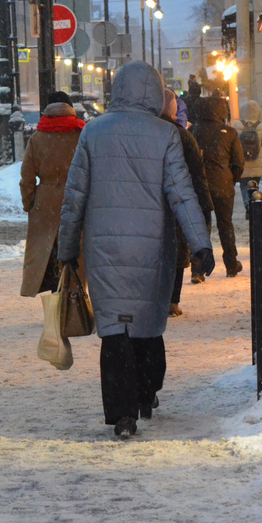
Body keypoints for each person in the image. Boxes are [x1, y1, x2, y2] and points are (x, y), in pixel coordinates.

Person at [58, 61, 213, 439]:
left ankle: (122, 413)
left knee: (116, 330)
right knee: (146, 324)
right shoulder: (165, 135)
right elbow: (182, 195)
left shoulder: (93, 132)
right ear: (156, 95)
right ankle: (146, 393)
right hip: (151, 248)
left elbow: (74, 196)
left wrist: (66, 248)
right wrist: (200, 244)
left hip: (104, 249)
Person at [18, 91, 85, 298]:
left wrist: (30, 203)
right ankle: (74, 299)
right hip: (76, 200)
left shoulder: (37, 138)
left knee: (47, 255)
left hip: (45, 203)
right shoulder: (81, 134)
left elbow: (27, 177)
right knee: (75, 253)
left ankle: (55, 301)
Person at [161, 90, 213, 317]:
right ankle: (172, 301)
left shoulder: (143, 133)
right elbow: (197, 173)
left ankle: (154, 299)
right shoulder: (183, 135)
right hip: (178, 200)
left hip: (151, 201)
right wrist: (204, 203)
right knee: (178, 250)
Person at [191, 96, 245, 277]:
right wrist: (230, 179)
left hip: (199, 186)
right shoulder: (229, 133)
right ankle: (231, 263)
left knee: (200, 226)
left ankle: (197, 268)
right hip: (223, 186)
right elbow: (239, 163)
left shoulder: (194, 131)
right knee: (225, 225)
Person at [233, 99, 262, 213]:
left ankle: (247, 205)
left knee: (244, 185)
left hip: (242, 161)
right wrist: (258, 151)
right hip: (257, 161)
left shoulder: (237, 125)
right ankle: (255, 206)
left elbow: (234, 143)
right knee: (255, 185)